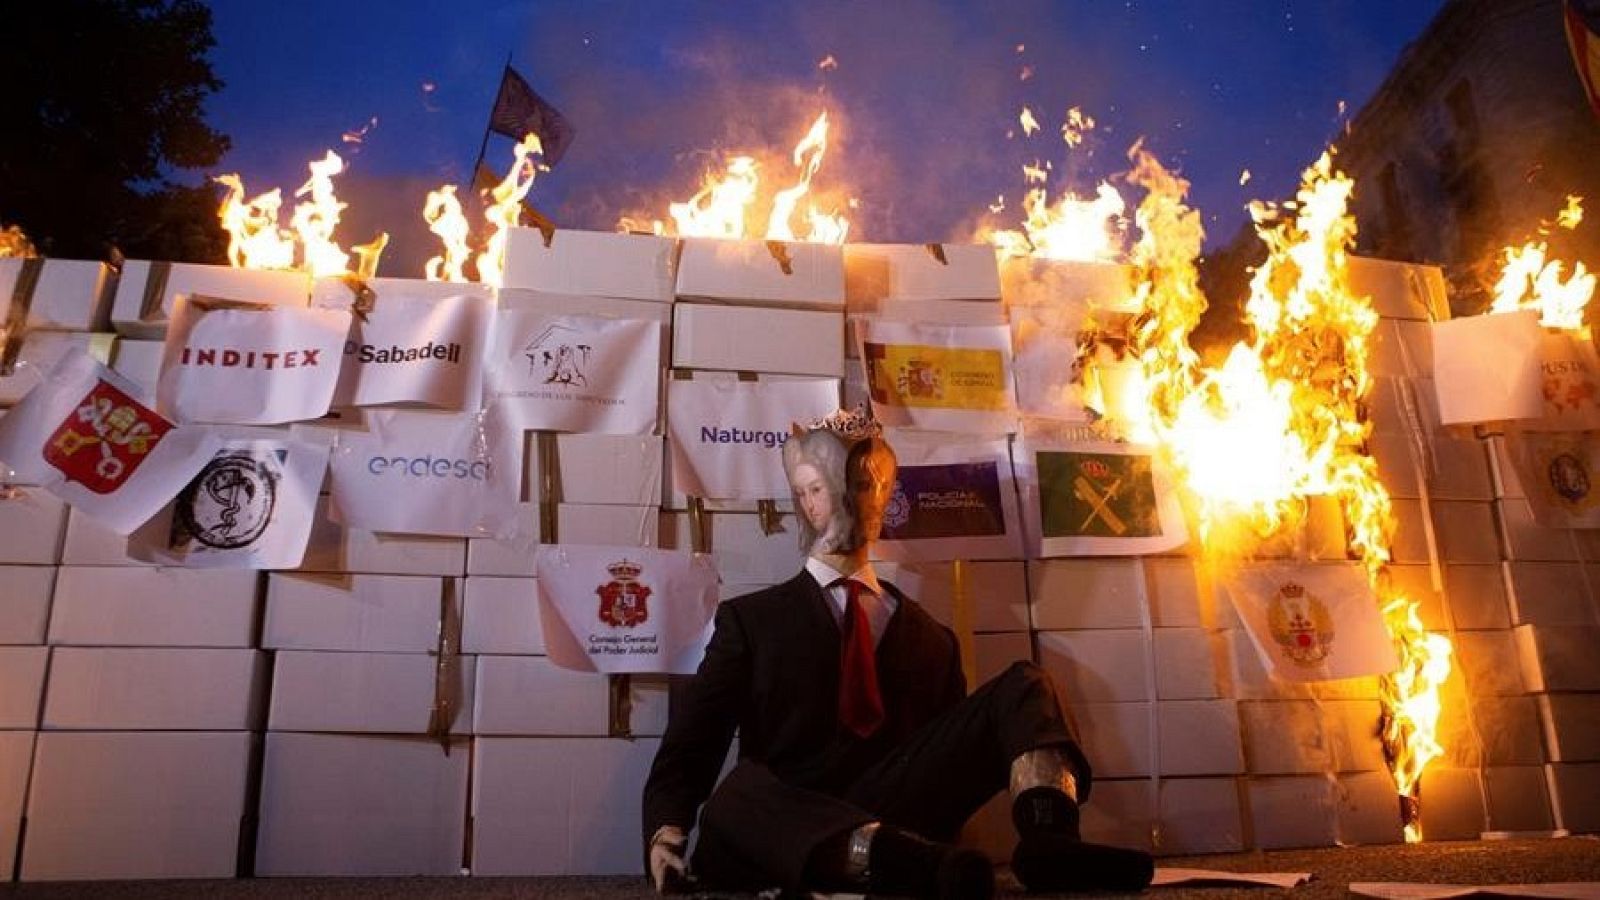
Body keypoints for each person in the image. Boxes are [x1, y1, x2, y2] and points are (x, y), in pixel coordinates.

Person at [641, 412, 1154, 897]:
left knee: (1029, 684)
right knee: (737, 798)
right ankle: (911, 866)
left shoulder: (933, 638)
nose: (843, 501)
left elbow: (945, 760)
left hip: (898, 809)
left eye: (862, 485)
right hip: (788, 815)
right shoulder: (750, 621)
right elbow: (693, 744)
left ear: (886, 497)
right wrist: (666, 832)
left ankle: (1050, 842)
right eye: (819, 489)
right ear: (802, 501)